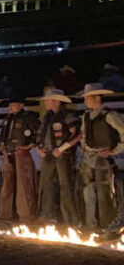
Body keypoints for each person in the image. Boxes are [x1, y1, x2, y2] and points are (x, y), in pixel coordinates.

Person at [77, 83, 124, 228]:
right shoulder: (86, 116)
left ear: (97, 98)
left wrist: (114, 151)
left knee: (105, 193)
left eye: (87, 98)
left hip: (104, 159)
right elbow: (83, 136)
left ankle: (108, 224)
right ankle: (91, 223)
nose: (85, 101)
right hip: (89, 158)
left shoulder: (110, 115)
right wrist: (84, 148)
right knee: (87, 191)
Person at [36, 89, 81, 225]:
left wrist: (62, 148)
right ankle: (47, 214)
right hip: (48, 154)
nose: (45, 102)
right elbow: (41, 134)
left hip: (63, 155)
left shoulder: (67, 115)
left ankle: (70, 219)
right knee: (46, 184)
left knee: (65, 184)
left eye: (47, 100)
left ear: (56, 101)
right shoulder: (47, 117)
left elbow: (77, 134)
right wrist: (39, 147)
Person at [0, 98, 41, 221]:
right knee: (7, 184)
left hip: (21, 153)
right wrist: (2, 145)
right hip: (9, 153)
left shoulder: (28, 117)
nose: (10, 107)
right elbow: (2, 135)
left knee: (24, 185)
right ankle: (5, 213)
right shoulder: (7, 119)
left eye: (13, 104)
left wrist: (27, 147)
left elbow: (38, 133)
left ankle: (26, 214)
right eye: (10, 105)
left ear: (21, 105)